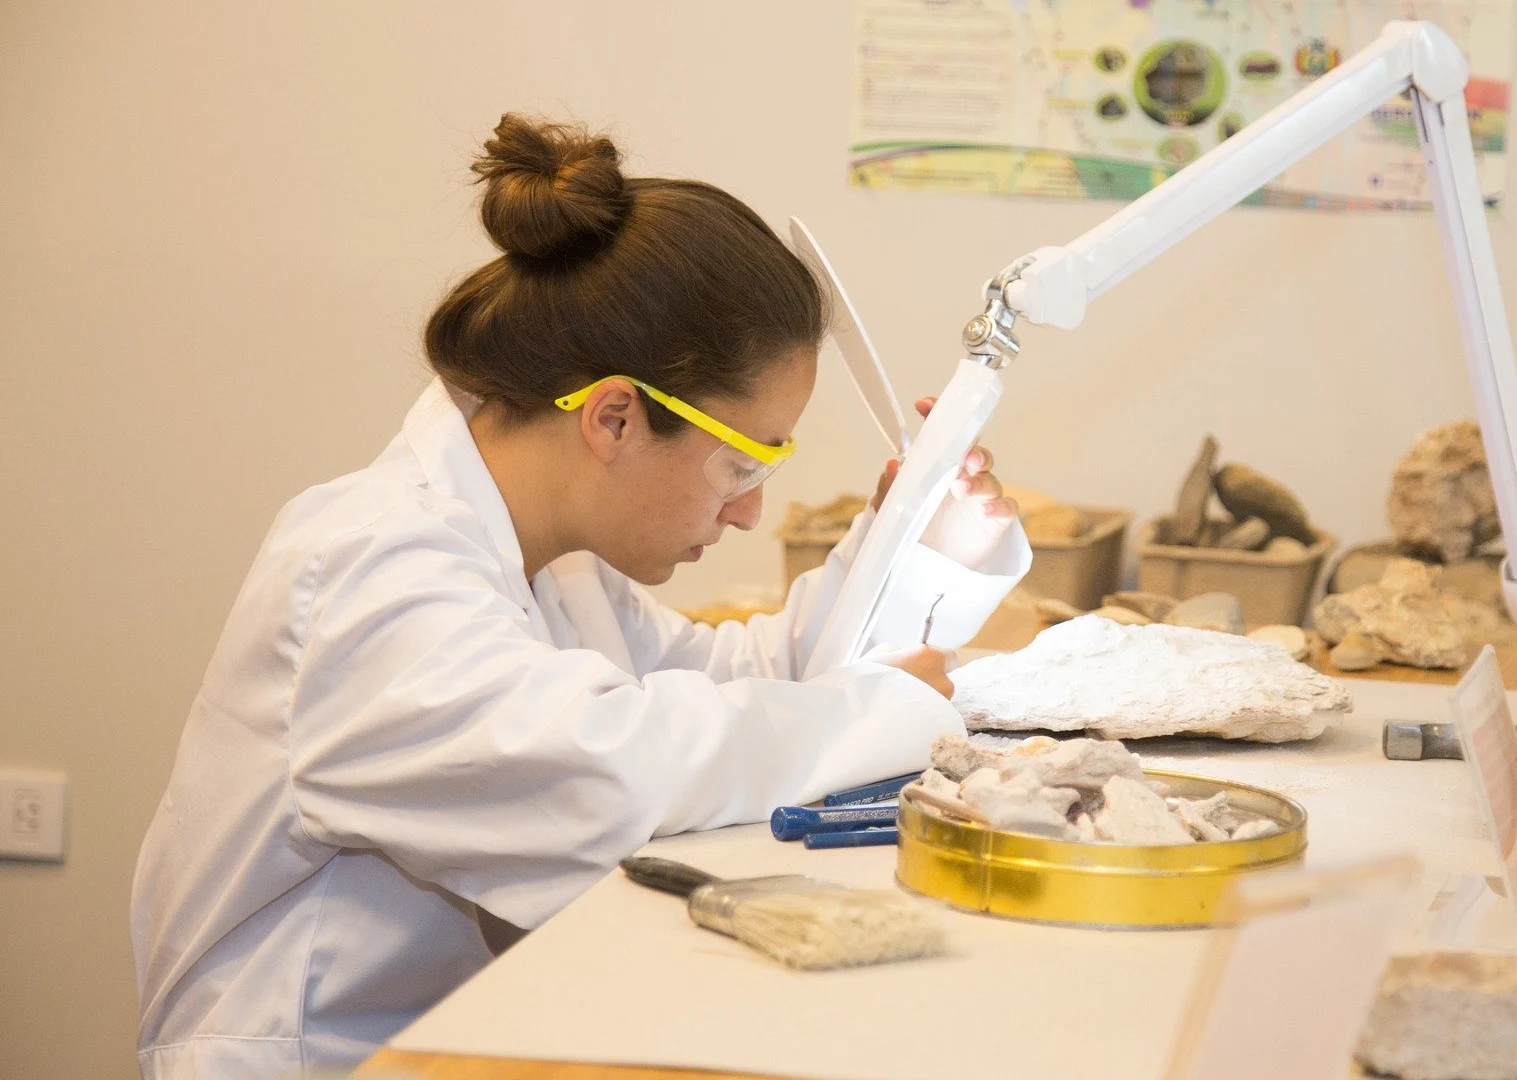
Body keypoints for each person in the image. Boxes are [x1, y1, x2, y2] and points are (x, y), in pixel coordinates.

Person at [129, 114, 1030, 1079]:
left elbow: (744, 681)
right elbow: (615, 778)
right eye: (738, 465)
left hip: (460, 1033)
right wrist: (902, 706)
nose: (750, 515)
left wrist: (909, 551)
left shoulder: (549, 558)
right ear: (612, 417)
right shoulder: (370, 572)